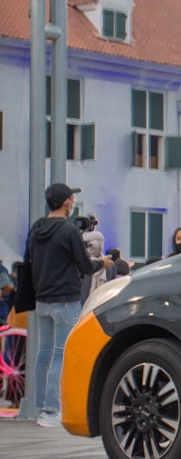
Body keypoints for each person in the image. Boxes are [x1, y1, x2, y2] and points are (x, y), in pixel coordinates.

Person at [27, 183, 113, 427]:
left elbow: (29, 260)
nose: (73, 202)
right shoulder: (68, 231)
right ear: (66, 202)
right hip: (65, 299)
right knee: (60, 354)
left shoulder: (36, 228)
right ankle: (53, 410)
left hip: (42, 298)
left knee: (43, 354)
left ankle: (39, 407)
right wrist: (103, 263)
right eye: (72, 198)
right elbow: (85, 266)